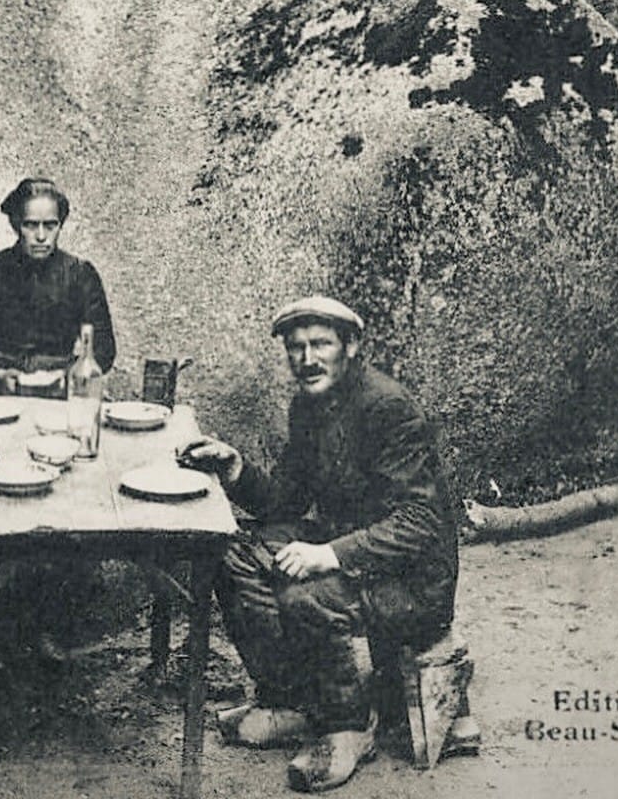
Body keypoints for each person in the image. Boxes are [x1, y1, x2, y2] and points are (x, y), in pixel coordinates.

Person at [181, 296, 459, 793]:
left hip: (413, 580)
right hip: (352, 550)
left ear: (350, 347)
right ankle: (294, 702)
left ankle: (349, 727)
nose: (307, 359)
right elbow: (286, 502)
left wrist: (328, 555)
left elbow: (419, 523)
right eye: (296, 347)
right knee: (234, 556)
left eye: (320, 344)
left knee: (304, 593)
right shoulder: (309, 405)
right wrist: (235, 469)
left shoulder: (388, 407)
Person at [0, 180, 115, 393]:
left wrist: (67, 375)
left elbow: (103, 350)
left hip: (62, 390)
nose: (41, 236)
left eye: (50, 225)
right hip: (0, 389)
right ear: (16, 224)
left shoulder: (81, 274)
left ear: (60, 225)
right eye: (31, 225)